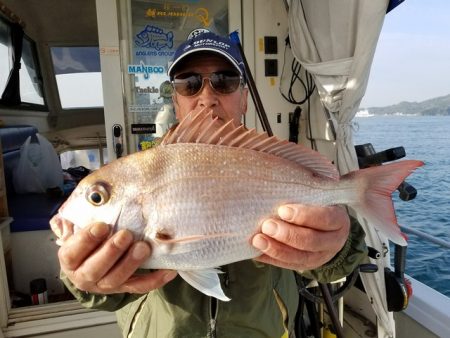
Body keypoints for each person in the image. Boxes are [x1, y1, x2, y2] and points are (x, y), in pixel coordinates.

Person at [52, 31, 367, 337]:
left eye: (224, 81)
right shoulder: (141, 169)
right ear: (176, 100)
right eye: (189, 84)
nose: (206, 97)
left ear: (244, 98)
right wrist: (82, 274)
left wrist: (338, 247)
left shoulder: (276, 165)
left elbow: (334, 266)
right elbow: (105, 294)